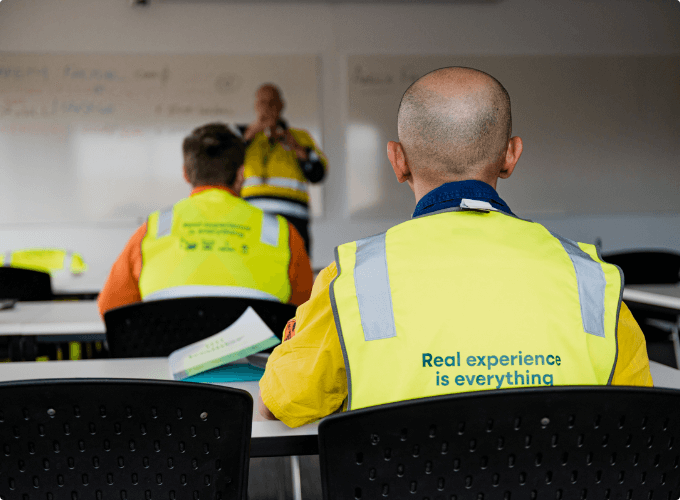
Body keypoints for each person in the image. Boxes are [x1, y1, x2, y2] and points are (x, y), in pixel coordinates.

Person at [258, 67, 653, 428]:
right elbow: (639, 418)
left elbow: (283, 401)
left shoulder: (354, 278)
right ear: (511, 156)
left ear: (397, 160)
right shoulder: (591, 277)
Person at [98, 123, 313, 316]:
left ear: (186, 174)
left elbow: (111, 309)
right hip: (257, 359)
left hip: (167, 358)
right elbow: (305, 315)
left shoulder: (153, 229)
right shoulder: (280, 233)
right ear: (241, 174)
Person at [238, 84, 327, 255]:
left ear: (281, 106)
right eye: (262, 102)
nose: (267, 107)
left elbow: (318, 174)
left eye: (272, 102)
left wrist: (296, 147)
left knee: (294, 274)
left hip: (294, 224)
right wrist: (254, 131)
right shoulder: (243, 136)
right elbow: (225, 163)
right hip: (253, 223)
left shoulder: (301, 137)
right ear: (256, 106)